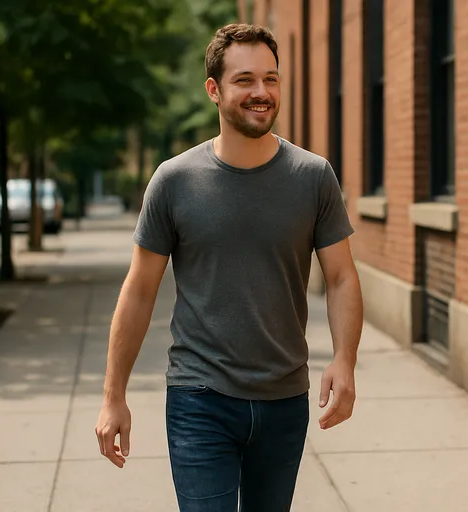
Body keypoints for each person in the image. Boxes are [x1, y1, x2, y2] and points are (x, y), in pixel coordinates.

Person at [95, 22, 363, 511]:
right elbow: (139, 290)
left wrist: (345, 360)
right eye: (245, 80)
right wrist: (114, 395)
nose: (261, 92)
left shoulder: (313, 177)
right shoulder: (174, 181)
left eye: (270, 78)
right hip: (200, 399)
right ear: (214, 90)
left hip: (284, 399)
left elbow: (342, 276)